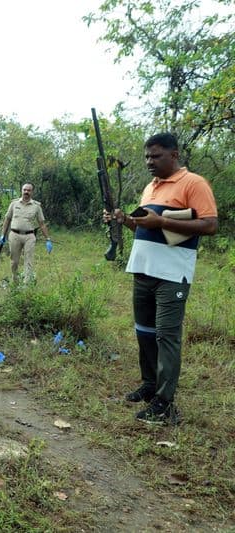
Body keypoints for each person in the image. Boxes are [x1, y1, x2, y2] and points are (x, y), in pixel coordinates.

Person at [104, 132, 217, 425]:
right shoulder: (150, 187)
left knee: (167, 336)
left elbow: (210, 224)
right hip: (143, 270)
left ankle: (165, 403)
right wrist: (126, 221)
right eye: (147, 157)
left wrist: (162, 220)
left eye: (156, 156)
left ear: (174, 155)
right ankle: (149, 385)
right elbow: (147, 230)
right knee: (144, 332)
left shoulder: (194, 183)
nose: (149, 162)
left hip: (171, 274)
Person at [0, 183, 52, 281]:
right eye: (24, 190)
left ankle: (26, 285)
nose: (26, 192)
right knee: (14, 261)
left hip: (29, 236)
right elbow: (7, 219)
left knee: (29, 261)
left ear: (32, 192)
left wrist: (48, 239)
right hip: (14, 235)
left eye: (29, 190)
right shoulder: (14, 204)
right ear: (21, 190)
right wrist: (3, 235)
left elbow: (42, 224)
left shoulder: (36, 206)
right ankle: (15, 280)